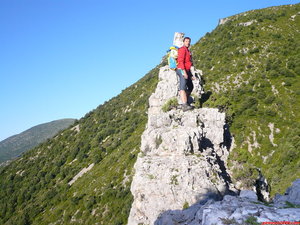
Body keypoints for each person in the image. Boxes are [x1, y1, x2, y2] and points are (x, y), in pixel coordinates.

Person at [176, 37, 194, 111]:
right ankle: (184, 105)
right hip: (181, 69)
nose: (188, 42)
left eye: (189, 41)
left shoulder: (188, 51)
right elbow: (180, 61)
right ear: (183, 42)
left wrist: (190, 74)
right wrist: (184, 72)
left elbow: (188, 64)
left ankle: (185, 101)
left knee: (190, 86)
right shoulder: (182, 49)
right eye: (186, 41)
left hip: (187, 70)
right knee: (182, 86)